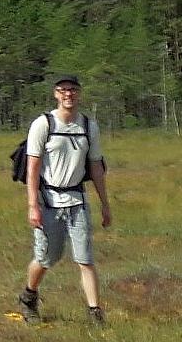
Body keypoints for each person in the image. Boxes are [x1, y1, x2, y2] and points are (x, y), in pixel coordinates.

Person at [17, 74, 114, 326]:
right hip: (48, 202)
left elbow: (96, 168)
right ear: (55, 94)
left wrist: (105, 204)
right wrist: (32, 205)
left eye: (72, 90)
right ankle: (29, 295)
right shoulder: (43, 124)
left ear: (79, 94)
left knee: (85, 259)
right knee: (47, 258)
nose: (68, 94)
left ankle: (95, 313)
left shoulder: (88, 126)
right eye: (63, 90)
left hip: (78, 201)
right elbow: (33, 169)